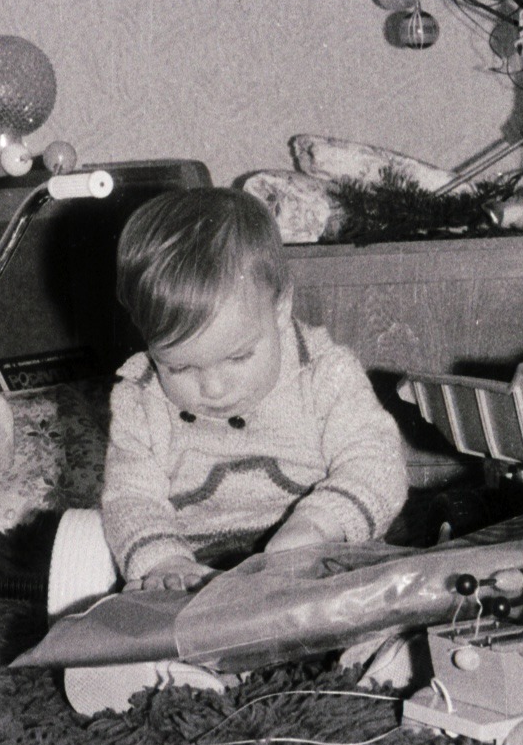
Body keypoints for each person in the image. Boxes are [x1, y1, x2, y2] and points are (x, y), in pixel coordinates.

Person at [101, 187, 408, 591]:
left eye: (237, 357)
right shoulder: (139, 399)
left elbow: (377, 462)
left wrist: (318, 523)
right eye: (179, 367)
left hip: (321, 551)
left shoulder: (324, 373)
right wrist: (165, 561)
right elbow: (130, 499)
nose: (212, 388)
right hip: (199, 571)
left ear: (280, 309)